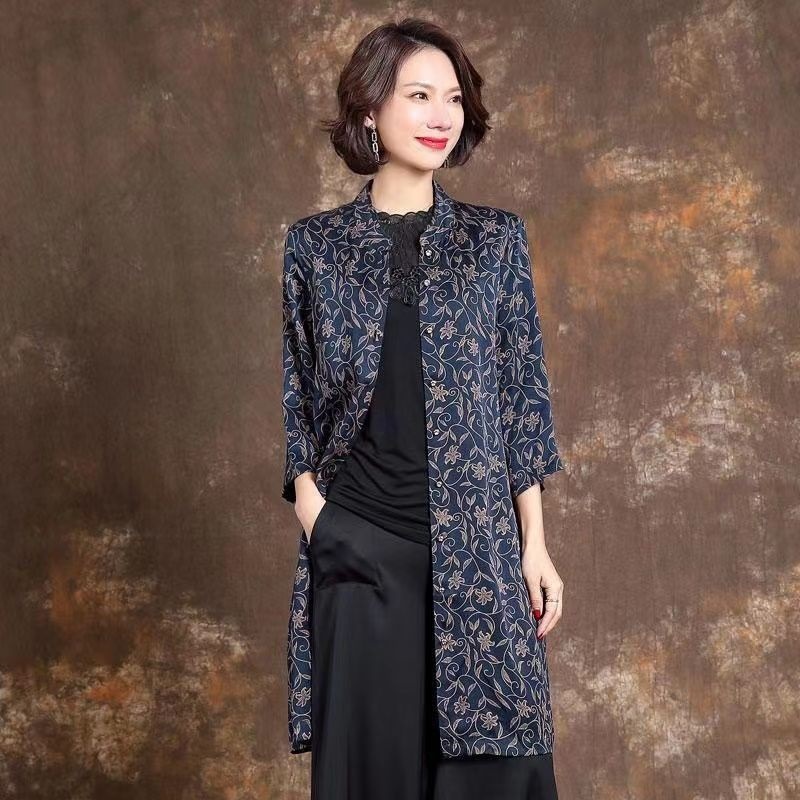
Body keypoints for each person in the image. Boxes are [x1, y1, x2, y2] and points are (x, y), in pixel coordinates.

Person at [282, 17, 566, 800]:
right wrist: (318, 518)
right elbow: (296, 397)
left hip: (479, 549)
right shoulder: (315, 247)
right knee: (372, 778)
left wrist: (534, 544)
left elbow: (521, 396)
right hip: (361, 551)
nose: (442, 115)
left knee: (500, 767)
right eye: (418, 96)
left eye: (453, 98)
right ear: (370, 108)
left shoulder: (494, 241)